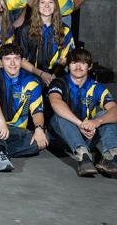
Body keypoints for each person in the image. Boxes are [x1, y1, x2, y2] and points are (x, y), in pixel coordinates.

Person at [48, 48, 117, 177]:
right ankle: (83, 156)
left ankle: (111, 157)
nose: (78, 67)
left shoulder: (97, 87)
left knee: (105, 115)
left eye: (83, 63)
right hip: (61, 138)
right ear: (68, 65)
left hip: (87, 136)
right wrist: (81, 124)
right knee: (60, 115)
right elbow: (55, 103)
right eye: (74, 62)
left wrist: (96, 122)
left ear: (89, 66)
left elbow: (114, 110)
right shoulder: (59, 82)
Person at [0, 43, 47, 172]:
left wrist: (39, 129)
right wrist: (1, 121)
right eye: (7, 59)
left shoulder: (32, 81)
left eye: (16, 58)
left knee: (41, 141)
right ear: (1, 62)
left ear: (22, 61)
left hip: (15, 130)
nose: (12, 63)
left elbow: (37, 111)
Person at [17, 0, 74, 85]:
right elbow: (21, 59)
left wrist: (54, 76)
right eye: (42, 2)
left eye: (50, 2)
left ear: (55, 6)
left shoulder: (65, 30)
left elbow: (65, 59)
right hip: (31, 73)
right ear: (37, 6)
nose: (47, 5)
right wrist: (41, 74)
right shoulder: (25, 29)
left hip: (56, 75)